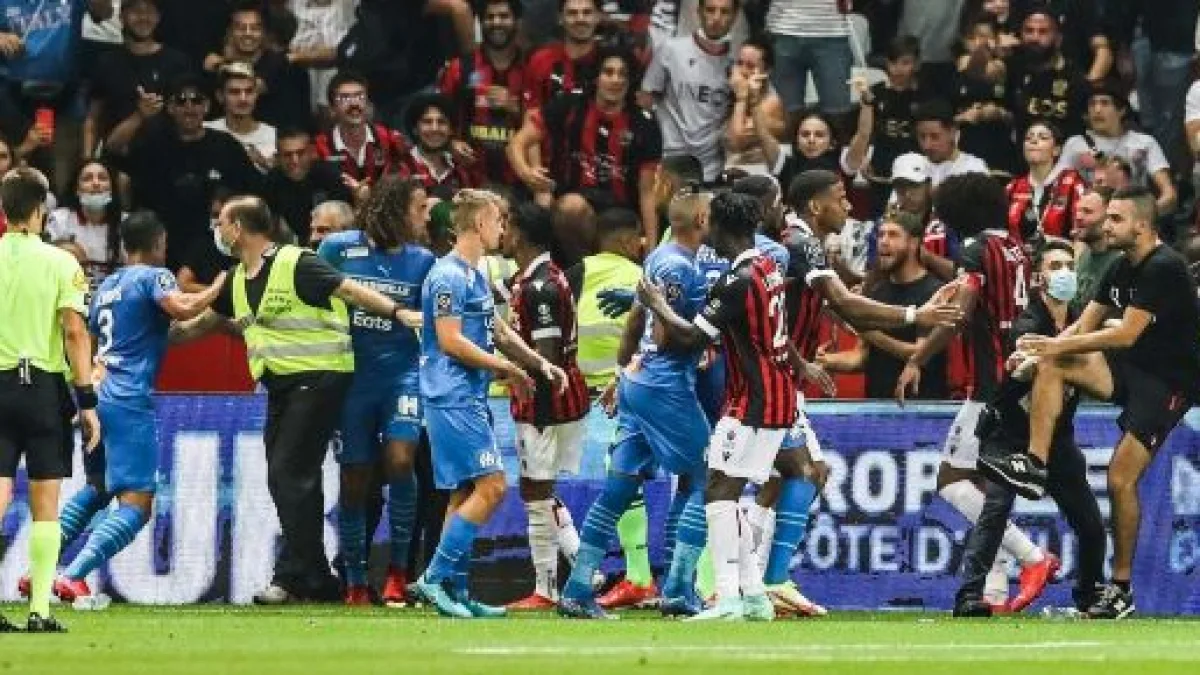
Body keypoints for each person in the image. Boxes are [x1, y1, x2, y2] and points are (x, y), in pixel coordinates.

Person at [172, 195, 422, 604]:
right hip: (281, 387)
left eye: (221, 223)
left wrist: (397, 312)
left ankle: (310, 576)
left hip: (321, 379)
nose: (216, 231)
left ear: (238, 229)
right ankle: (308, 575)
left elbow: (351, 291)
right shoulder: (237, 278)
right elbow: (203, 323)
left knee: (288, 473)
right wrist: (148, 342)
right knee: (289, 479)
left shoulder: (297, 262)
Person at [981, 187, 1200, 619]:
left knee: (1120, 479)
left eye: (1116, 218)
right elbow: (1084, 325)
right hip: (1131, 370)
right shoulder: (1119, 266)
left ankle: (1120, 590)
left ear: (1142, 224)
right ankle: (1035, 463)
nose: (1106, 225)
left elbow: (1125, 334)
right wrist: (1040, 352)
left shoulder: (1164, 267)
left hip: (1168, 384)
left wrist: (1053, 345)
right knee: (1054, 364)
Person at [896, 172, 1059, 612]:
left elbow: (960, 314)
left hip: (990, 387)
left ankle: (1034, 557)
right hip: (1020, 377)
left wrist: (917, 358)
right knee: (987, 486)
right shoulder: (1015, 248)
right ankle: (993, 592)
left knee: (951, 481)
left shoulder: (975, 249)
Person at [47, 211, 225, 604]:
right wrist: (218, 288)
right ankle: (73, 576)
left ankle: (37, 570)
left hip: (97, 393)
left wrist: (216, 321)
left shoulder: (107, 286)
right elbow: (180, 308)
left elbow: (152, 334)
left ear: (125, 246)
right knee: (138, 502)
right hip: (128, 399)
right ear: (159, 243)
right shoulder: (154, 276)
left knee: (97, 489)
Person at [635, 191, 793, 621]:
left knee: (718, 491)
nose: (706, 234)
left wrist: (658, 305)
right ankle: (754, 596)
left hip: (753, 401)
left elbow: (691, 338)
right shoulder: (768, 268)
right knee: (725, 489)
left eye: (710, 225)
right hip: (775, 396)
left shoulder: (737, 279)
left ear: (721, 227)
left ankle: (727, 598)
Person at [558, 187, 714, 619]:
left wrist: (620, 373)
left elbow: (634, 322)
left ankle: (577, 589)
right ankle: (679, 586)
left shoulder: (658, 259)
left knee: (620, 487)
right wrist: (703, 339)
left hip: (637, 380)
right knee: (711, 478)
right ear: (701, 220)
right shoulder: (681, 267)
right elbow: (664, 335)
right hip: (666, 385)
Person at [411, 189, 564, 618]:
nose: (502, 229)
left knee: (464, 491)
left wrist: (536, 363)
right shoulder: (447, 276)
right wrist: (507, 368)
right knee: (493, 486)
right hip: (451, 395)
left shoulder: (474, 275)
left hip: (467, 394)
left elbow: (497, 330)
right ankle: (434, 578)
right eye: (498, 221)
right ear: (479, 224)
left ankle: (455, 590)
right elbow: (450, 340)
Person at [952, 237, 1106, 617]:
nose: (1064, 273)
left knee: (1090, 523)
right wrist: (1027, 361)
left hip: (1059, 438)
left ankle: (1090, 597)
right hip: (1013, 434)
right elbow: (1025, 358)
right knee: (995, 510)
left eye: (1069, 265)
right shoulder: (1027, 322)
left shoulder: (1083, 321)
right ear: (1038, 278)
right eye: (1055, 266)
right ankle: (969, 596)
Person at [317, 177, 436, 606]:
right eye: (419, 208)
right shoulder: (337, 249)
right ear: (395, 209)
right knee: (355, 479)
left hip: (403, 375)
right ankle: (354, 580)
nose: (425, 218)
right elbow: (311, 297)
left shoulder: (423, 261)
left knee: (402, 461)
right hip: (352, 378)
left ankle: (399, 573)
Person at [0, 168, 101, 632]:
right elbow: (74, 331)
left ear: (4, 210)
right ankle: (39, 610)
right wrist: (87, 400)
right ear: (41, 209)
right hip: (41, 387)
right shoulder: (62, 263)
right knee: (46, 501)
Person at [501, 203, 591, 610]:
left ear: (519, 233)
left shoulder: (540, 287)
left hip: (546, 400)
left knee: (536, 490)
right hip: (559, 397)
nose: (502, 235)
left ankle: (548, 588)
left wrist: (534, 401)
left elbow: (546, 356)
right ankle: (580, 569)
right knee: (538, 489)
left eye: (506, 226)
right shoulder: (536, 279)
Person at [508, 45, 662, 265]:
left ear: (630, 82)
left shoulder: (644, 124)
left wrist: (653, 254)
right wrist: (527, 174)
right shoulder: (569, 105)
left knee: (618, 228)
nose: (615, 80)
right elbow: (517, 143)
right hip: (572, 202)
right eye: (608, 72)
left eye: (623, 74)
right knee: (571, 207)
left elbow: (647, 192)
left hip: (621, 212)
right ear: (596, 77)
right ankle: (580, 271)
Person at [106, 73, 263, 271]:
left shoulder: (226, 146)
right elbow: (112, 148)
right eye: (181, 101)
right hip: (159, 248)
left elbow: (254, 193)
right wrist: (140, 116)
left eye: (196, 100)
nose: (189, 107)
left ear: (206, 106)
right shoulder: (153, 143)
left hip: (212, 249)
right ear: (170, 108)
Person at [817, 211, 949, 399]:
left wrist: (866, 331)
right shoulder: (876, 292)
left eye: (893, 235)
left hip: (923, 405)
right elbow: (861, 357)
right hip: (877, 403)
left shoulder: (935, 292)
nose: (883, 241)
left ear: (913, 243)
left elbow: (919, 353)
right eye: (881, 235)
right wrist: (825, 361)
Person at [638, 0, 737, 182]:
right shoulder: (671, 50)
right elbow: (645, 99)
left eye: (724, 12)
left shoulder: (737, 64)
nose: (716, 18)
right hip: (667, 157)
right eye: (710, 10)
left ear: (734, 16)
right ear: (699, 12)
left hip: (710, 167)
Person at [84, 0, 192, 157]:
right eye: (136, 11)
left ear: (158, 18)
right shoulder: (107, 62)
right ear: (121, 17)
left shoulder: (177, 62)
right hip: (116, 155)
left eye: (149, 12)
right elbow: (93, 118)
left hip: (168, 157)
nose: (143, 17)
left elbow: (188, 115)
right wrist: (87, 160)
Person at [438, 0, 527, 188]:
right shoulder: (459, 69)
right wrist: (451, 143)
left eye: (504, 16)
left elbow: (550, 125)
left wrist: (515, 106)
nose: (496, 22)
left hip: (521, 182)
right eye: (490, 17)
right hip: (468, 182)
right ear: (480, 22)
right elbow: (438, 117)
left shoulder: (533, 67)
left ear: (517, 22)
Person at [1058, 83, 1176, 216]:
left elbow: (1169, 194)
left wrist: (1144, 216)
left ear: (1121, 110)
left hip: (1132, 218)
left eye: (1105, 103)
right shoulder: (1075, 144)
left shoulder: (1144, 142)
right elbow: (1057, 188)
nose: (1097, 110)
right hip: (1088, 219)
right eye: (1092, 104)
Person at [202, 1, 311, 131]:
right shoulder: (215, 68)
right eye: (241, 28)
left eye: (255, 28)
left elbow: (300, 122)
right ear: (229, 32)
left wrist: (223, 65)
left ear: (265, 33)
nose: (248, 33)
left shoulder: (287, 67)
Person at [314, 70, 408, 200]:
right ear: (332, 109)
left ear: (369, 105)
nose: (354, 104)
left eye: (360, 96)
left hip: (383, 209)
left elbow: (405, 185)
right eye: (345, 98)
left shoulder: (391, 140)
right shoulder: (319, 147)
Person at [1004, 7, 1088, 140]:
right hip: (1022, 148)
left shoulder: (1074, 77)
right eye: (1029, 31)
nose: (1034, 38)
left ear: (1058, 38)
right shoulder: (1013, 70)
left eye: (1043, 32)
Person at [263, 128, 353, 246]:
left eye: (300, 153)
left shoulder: (331, 176)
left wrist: (360, 198)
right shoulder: (271, 182)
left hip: (334, 242)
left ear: (312, 152)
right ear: (277, 157)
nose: (295, 161)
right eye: (287, 155)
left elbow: (347, 223)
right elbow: (269, 228)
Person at [1005, 120, 1086, 249]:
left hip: (1062, 257)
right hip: (1019, 259)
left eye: (1043, 138)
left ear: (1056, 150)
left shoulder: (1071, 183)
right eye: (1028, 138)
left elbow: (1082, 236)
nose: (1033, 141)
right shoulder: (1012, 188)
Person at [46, 160, 125, 291]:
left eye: (102, 178)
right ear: (77, 190)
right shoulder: (59, 221)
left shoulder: (126, 224)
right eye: (87, 179)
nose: (96, 183)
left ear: (112, 189)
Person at [722, 36, 786, 177]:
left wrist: (741, 98)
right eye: (739, 63)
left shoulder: (771, 102)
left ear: (766, 71)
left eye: (750, 66)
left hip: (758, 175)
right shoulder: (730, 93)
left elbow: (736, 141)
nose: (742, 71)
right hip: (731, 171)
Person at [523, 0, 602, 111]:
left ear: (598, 17)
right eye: (572, 13)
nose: (580, 19)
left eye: (587, 12)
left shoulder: (611, 62)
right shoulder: (541, 60)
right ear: (560, 18)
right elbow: (531, 110)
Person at [399, 94, 475, 199]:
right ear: (415, 129)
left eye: (442, 122)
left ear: (451, 130)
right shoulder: (402, 166)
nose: (435, 128)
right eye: (427, 122)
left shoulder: (461, 171)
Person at [204, 62, 277, 173]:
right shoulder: (205, 131)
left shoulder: (274, 136)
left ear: (256, 94)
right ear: (220, 96)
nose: (243, 99)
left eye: (249, 91)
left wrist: (266, 165)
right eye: (234, 92)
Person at [1071, 188, 1120, 311]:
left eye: (1087, 211)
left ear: (1109, 218)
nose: (1078, 217)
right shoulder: (1082, 254)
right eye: (1077, 211)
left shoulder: (1121, 262)